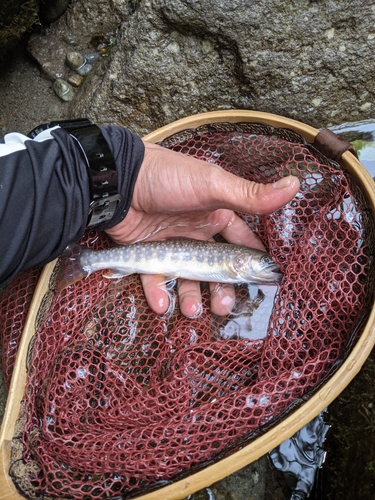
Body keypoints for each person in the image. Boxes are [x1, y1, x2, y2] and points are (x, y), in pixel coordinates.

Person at [0, 121, 300, 317]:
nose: (269, 268)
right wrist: (117, 172)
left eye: (264, 264)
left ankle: (90, 259)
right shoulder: (231, 268)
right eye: (262, 264)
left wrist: (120, 174)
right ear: (240, 263)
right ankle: (89, 261)